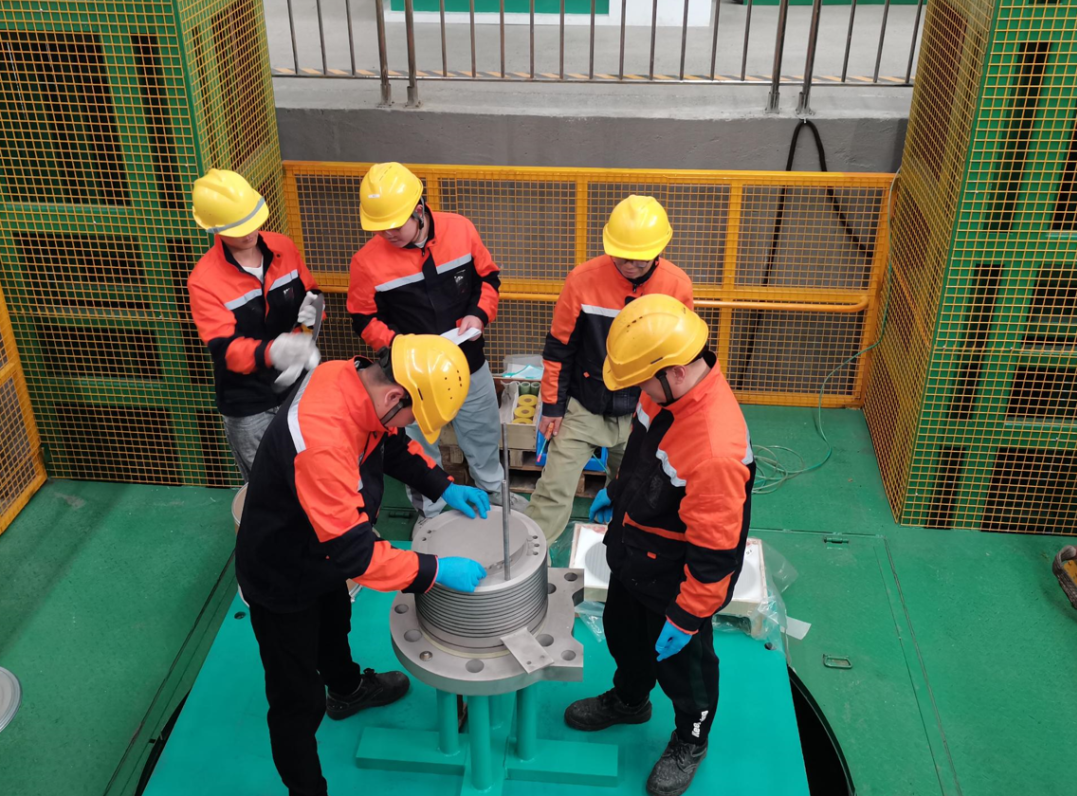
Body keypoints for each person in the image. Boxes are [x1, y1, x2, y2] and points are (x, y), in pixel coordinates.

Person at [236, 333, 492, 796]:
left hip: (321, 549)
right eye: (415, 416)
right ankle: (307, 789)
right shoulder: (321, 439)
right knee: (296, 698)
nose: (410, 425)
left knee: (334, 624)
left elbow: (390, 444)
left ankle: (347, 690)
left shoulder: (351, 380)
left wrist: (442, 485)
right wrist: (435, 571)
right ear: (395, 396)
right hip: (283, 570)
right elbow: (356, 555)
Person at [563, 295, 755, 796]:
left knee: (686, 669)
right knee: (625, 634)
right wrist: (617, 492)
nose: (637, 392)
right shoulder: (663, 393)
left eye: (641, 380)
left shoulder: (714, 449)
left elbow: (715, 554)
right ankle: (630, 700)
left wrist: (688, 616)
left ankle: (691, 738)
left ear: (674, 370)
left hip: (675, 575)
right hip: (635, 552)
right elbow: (644, 457)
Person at [348, 162, 522, 530]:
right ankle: (429, 511)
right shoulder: (366, 262)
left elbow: (489, 279)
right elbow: (362, 319)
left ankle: (493, 491)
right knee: (417, 445)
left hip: (468, 362)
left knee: (482, 432)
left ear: (419, 209)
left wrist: (479, 315)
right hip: (410, 377)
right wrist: (400, 345)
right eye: (380, 227)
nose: (388, 233)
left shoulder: (460, 229)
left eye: (396, 224)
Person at [525, 195, 694, 543]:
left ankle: (624, 550)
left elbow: (681, 356)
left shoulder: (677, 287)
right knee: (553, 490)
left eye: (637, 258)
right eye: (620, 254)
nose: (628, 264)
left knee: (637, 491)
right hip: (583, 406)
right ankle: (529, 558)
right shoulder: (582, 280)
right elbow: (559, 348)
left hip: (643, 411)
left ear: (658, 250)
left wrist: (676, 415)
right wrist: (553, 406)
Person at [188, 169, 323, 481]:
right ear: (215, 228)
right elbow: (226, 350)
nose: (249, 233)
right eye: (238, 228)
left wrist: (309, 319)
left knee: (313, 470)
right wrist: (275, 352)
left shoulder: (282, 247)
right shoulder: (205, 281)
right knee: (267, 483)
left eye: (252, 221)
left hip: (298, 388)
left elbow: (311, 292)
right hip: (247, 401)